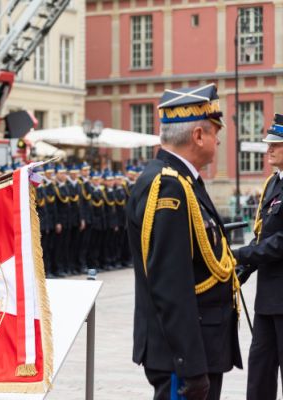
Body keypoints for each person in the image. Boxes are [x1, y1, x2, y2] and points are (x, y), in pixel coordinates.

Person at [127, 84, 241, 400]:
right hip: (183, 355)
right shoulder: (168, 187)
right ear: (198, 136)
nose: (218, 139)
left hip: (196, 347)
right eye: (215, 130)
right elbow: (170, 284)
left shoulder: (181, 181)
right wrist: (190, 365)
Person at [234, 113, 283, 399]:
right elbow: (263, 234)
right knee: (260, 374)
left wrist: (241, 254)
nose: (269, 149)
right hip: (267, 299)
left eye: (276, 144)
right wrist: (241, 269)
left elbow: (280, 243)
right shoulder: (272, 184)